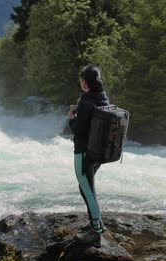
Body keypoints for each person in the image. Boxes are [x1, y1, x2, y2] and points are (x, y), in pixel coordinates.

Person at [68, 65, 109, 248]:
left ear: (85, 82)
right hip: (97, 152)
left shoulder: (85, 100)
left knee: (87, 189)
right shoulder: (102, 97)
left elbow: (78, 129)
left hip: (84, 152)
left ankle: (95, 233)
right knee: (87, 187)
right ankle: (97, 223)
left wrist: (71, 117)